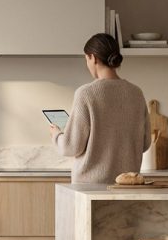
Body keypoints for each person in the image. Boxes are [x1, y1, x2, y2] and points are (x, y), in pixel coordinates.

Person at [49, 33, 151, 184]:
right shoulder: (136, 93)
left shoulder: (86, 94)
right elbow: (145, 143)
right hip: (126, 187)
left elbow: (71, 147)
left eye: (87, 59)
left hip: (90, 189)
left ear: (93, 58)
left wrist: (56, 134)